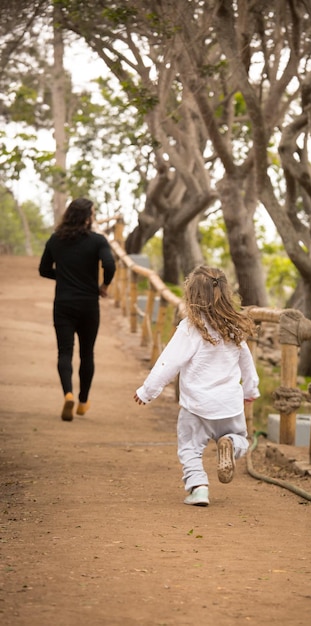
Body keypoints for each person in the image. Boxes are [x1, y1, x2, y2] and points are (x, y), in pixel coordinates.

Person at [133, 265, 260, 507]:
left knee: (190, 447)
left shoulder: (190, 328)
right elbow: (247, 362)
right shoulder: (234, 328)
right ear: (225, 293)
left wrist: (147, 391)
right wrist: (251, 390)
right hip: (229, 405)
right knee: (241, 438)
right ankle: (230, 445)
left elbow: (169, 361)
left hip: (197, 406)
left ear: (191, 296)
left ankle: (199, 488)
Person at [39, 197, 116, 422]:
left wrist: (63, 277)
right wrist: (104, 285)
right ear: (87, 217)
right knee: (87, 353)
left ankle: (68, 394)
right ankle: (82, 402)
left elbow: (43, 270)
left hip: (63, 303)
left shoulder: (55, 240)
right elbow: (110, 265)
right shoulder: (97, 241)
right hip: (88, 305)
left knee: (64, 352)